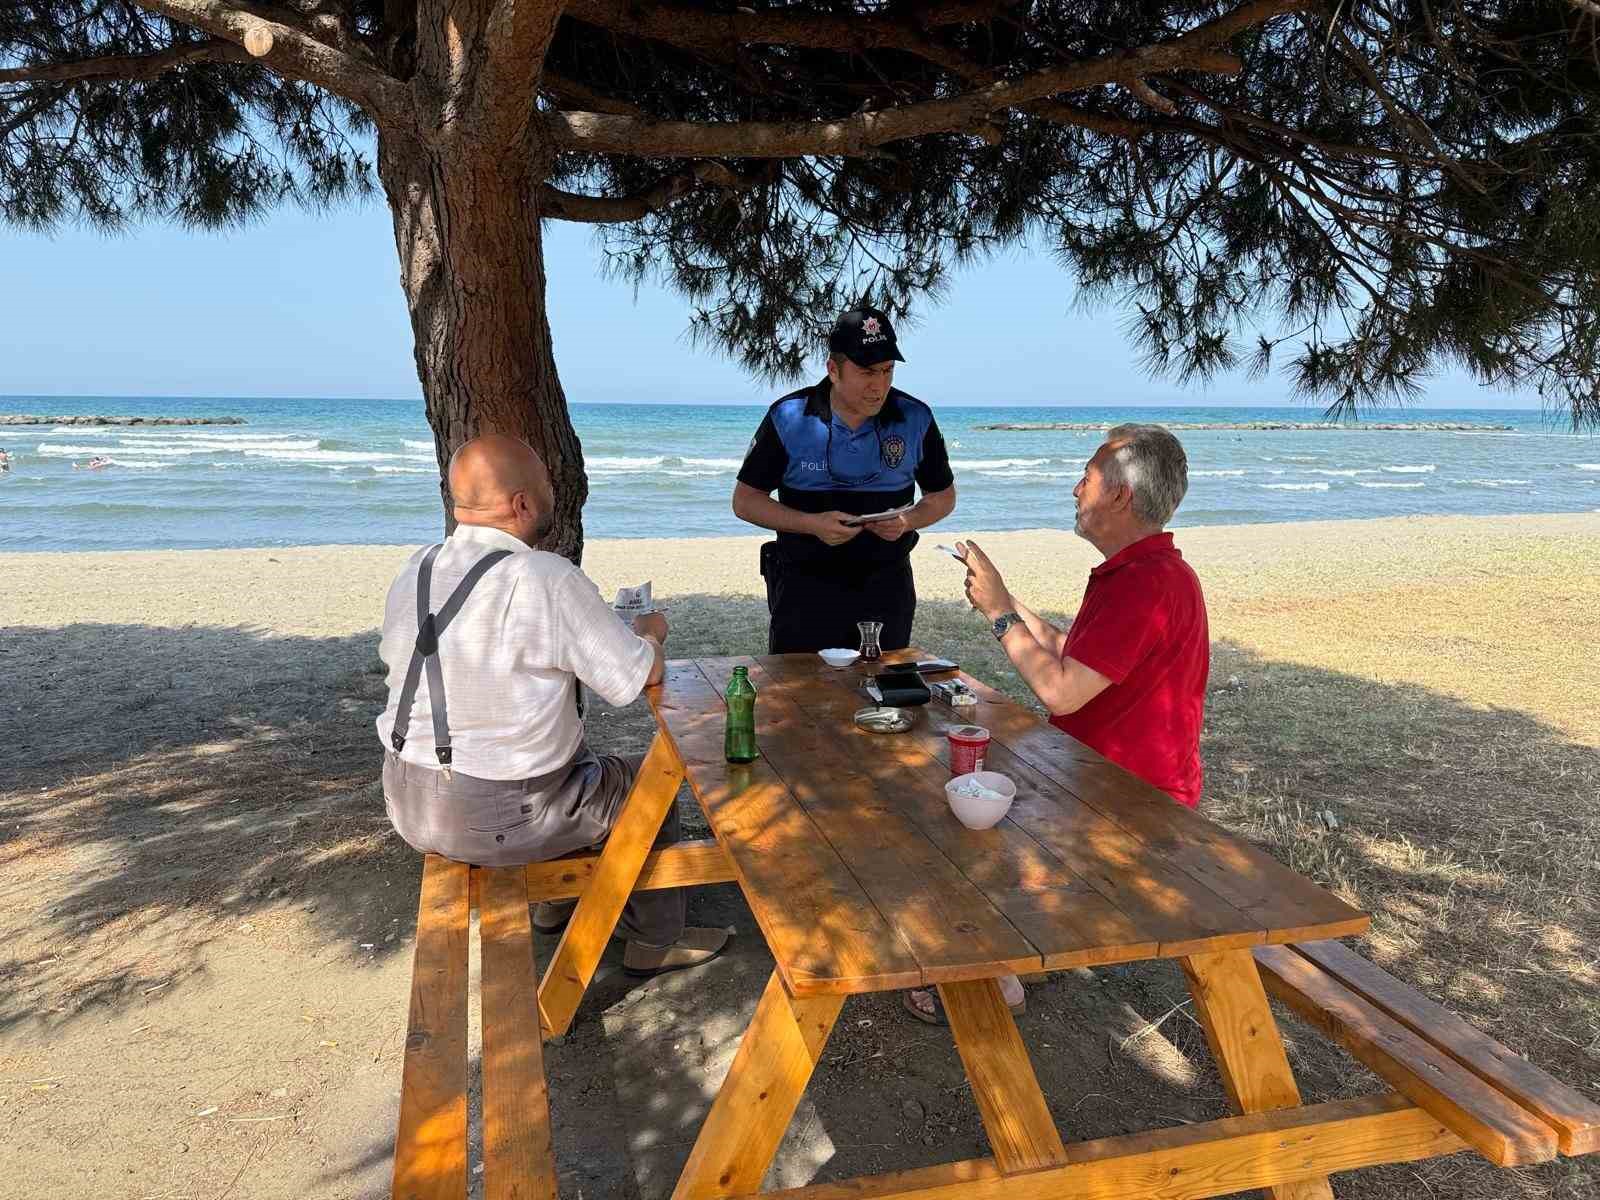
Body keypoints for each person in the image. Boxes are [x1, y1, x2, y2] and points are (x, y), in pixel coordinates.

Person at [376, 433, 729, 977]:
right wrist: (651, 634)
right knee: (649, 783)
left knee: (560, 753)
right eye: (546, 487)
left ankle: (554, 904)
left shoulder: (415, 567)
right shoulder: (542, 576)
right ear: (522, 504)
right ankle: (652, 940)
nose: (552, 496)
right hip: (495, 816)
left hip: (408, 798)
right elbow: (634, 677)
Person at [906, 424, 1209, 1024]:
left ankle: (997, 977)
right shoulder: (1142, 571)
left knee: (956, 811)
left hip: (1129, 805)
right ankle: (1006, 956)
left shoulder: (1147, 582)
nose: (1075, 488)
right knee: (963, 783)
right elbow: (1081, 658)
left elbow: (1063, 691)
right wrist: (1008, 600)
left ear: (1121, 495)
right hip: (1101, 783)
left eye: (1088, 477)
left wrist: (997, 614)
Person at [732, 306, 957, 653]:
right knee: (801, 699)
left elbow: (942, 497)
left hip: (887, 588)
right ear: (833, 370)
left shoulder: (916, 418)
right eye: (867, 372)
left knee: (882, 698)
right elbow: (745, 501)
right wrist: (811, 524)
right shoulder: (789, 416)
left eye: (887, 371)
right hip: (803, 589)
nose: (879, 386)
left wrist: (907, 521)